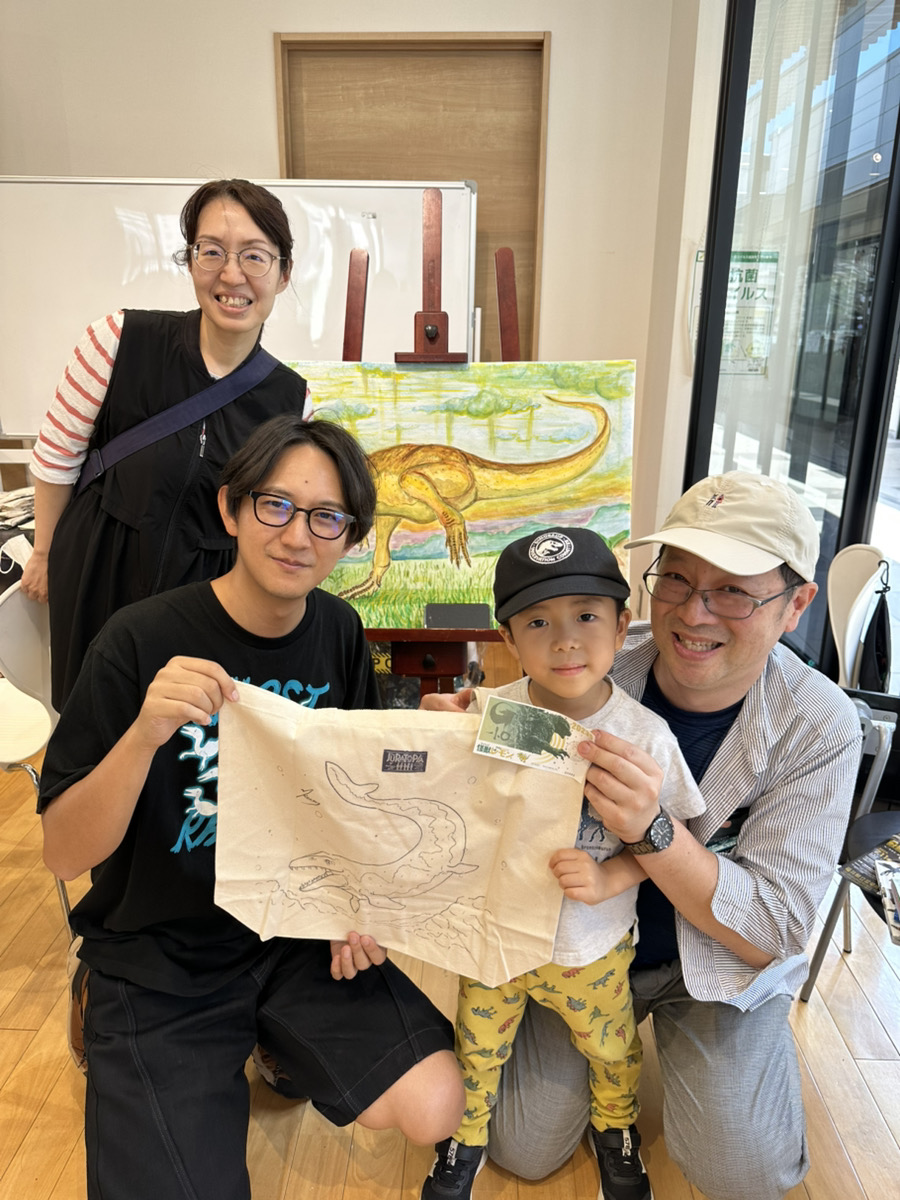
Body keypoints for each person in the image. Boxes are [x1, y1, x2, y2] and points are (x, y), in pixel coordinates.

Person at [38, 414, 465, 1200]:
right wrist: (144, 735)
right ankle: (102, 1005)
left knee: (435, 1102)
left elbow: (353, 794)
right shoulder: (137, 641)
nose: (297, 535)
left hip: (293, 933)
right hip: (162, 955)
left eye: (326, 516)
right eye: (276, 505)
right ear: (231, 509)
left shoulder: (338, 629)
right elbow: (64, 852)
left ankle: (277, 1044)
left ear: (350, 537)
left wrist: (428, 742)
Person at [461, 473, 862, 1200]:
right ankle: (611, 1066)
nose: (693, 613)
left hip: (717, 964)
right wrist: (460, 726)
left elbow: (773, 931)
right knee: (522, 1146)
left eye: (733, 591)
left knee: (743, 1173)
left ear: (796, 605)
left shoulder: (817, 724)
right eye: (676, 579)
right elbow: (501, 725)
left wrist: (650, 830)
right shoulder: (592, 655)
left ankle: (696, 1060)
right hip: (577, 945)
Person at [422, 527, 705, 1200]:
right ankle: (465, 1137)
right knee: (477, 1048)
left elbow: (677, 833)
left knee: (610, 1047)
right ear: (508, 638)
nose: (565, 641)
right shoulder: (491, 715)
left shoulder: (644, 734)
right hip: (497, 939)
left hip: (590, 947)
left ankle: (616, 1129)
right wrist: (435, 733)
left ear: (622, 625)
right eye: (538, 622)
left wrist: (610, 876)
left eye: (586, 616)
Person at [21, 177, 311, 710]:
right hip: (99, 569)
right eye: (212, 251)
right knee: (94, 725)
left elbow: (277, 517)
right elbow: (57, 458)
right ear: (190, 260)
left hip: (208, 601)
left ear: (283, 272)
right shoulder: (116, 340)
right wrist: (44, 552)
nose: (232, 275)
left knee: (187, 734)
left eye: (254, 256)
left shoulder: (293, 400)